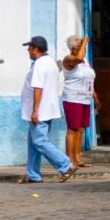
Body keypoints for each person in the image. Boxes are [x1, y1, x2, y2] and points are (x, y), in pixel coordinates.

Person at [20, 35, 73, 183]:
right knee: (33, 143)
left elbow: (38, 88)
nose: (28, 50)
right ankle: (33, 175)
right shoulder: (49, 62)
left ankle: (65, 165)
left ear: (36, 49)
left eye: (29, 48)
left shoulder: (39, 64)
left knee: (39, 141)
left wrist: (35, 110)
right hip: (47, 109)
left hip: (40, 111)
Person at [60, 36, 95, 172]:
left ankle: (77, 158)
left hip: (85, 99)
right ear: (75, 48)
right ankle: (69, 161)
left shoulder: (85, 60)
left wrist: (95, 97)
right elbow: (78, 59)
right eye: (82, 47)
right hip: (73, 99)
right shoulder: (68, 59)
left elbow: (89, 79)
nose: (84, 50)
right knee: (72, 129)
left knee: (81, 129)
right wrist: (85, 41)